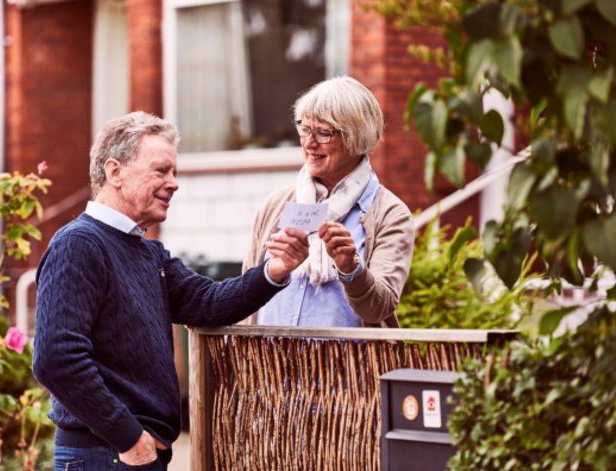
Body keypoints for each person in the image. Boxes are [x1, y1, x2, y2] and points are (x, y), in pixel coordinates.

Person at [33, 111, 309, 470]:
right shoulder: (79, 245)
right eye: (161, 171)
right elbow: (56, 360)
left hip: (128, 455)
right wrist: (129, 437)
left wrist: (275, 269)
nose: (174, 183)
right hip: (107, 455)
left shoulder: (148, 252)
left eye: (174, 171)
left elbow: (208, 304)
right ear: (114, 172)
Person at [243, 76, 414, 328]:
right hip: (270, 365)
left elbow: (380, 309)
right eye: (304, 129)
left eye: (323, 132)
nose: (309, 143)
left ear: (357, 137)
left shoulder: (390, 214)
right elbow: (246, 297)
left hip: (349, 367)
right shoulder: (275, 205)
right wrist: (274, 271)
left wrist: (351, 269)